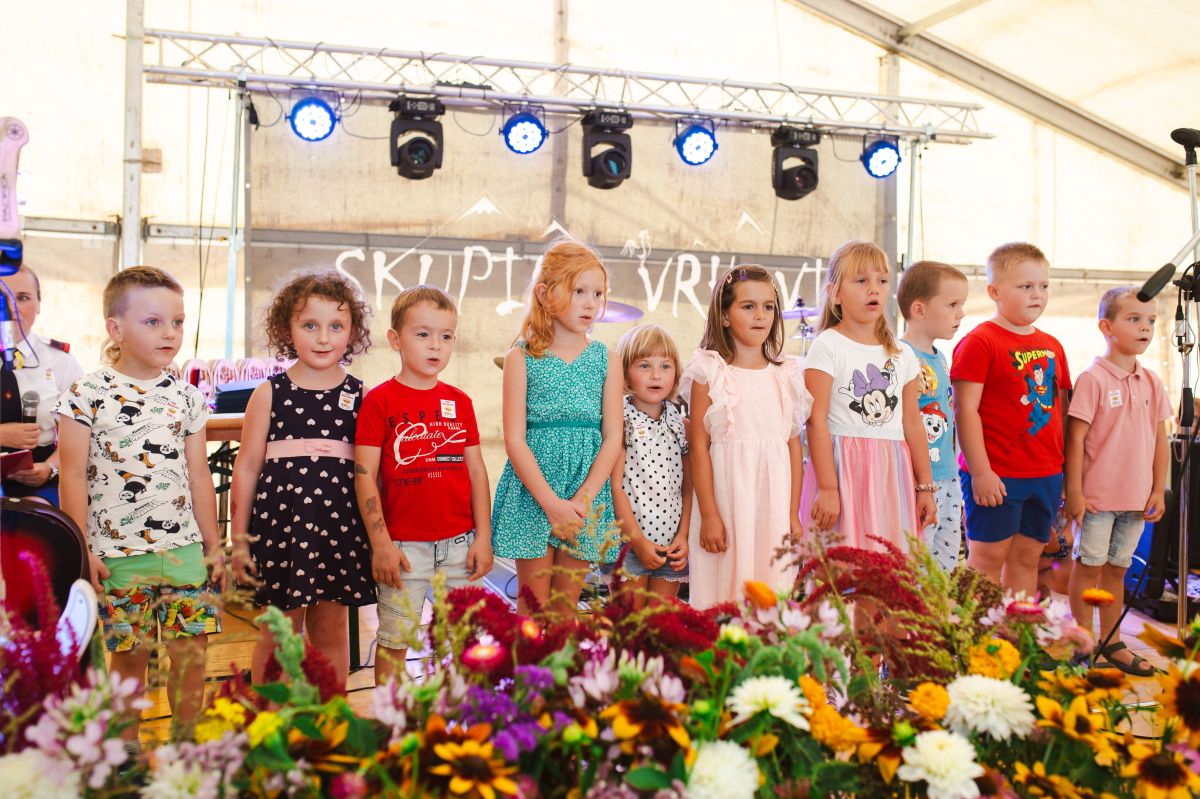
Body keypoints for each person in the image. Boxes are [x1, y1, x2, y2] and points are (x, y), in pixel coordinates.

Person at [56, 266, 224, 740]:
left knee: (191, 658)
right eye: (153, 322)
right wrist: (80, 549)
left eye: (177, 322)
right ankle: (125, 760)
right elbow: (72, 476)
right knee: (130, 662)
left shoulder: (188, 398)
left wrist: (214, 546)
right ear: (115, 328)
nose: (169, 333)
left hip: (185, 553)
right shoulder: (86, 394)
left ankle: (186, 751)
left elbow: (199, 476)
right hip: (117, 557)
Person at [230, 271, 375, 685]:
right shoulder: (268, 393)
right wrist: (238, 540)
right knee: (279, 631)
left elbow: (371, 473)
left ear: (353, 332)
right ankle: (269, 716)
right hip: (280, 531)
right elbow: (246, 467)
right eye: (310, 325)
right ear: (286, 330)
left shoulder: (362, 396)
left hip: (339, 530)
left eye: (336, 326)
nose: (323, 338)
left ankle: (329, 716)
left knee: (330, 630)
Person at [354, 285, 494, 685]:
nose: (436, 345)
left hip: (460, 545)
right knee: (395, 642)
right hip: (403, 549)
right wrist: (381, 543)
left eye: (446, 336)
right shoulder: (379, 401)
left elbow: (477, 472)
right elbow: (364, 475)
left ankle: (461, 713)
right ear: (395, 339)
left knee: (465, 641)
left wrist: (483, 538)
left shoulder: (460, 402)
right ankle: (391, 715)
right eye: (423, 334)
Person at [491, 240, 624, 618]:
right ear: (544, 294)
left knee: (566, 609)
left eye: (597, 293)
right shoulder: (521, 357)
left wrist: (583, 502)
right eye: (578, 291)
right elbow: (514, 439)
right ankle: (527, 662)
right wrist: (551, 504)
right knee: (532, 607)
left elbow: (613, 436)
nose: (590, 303)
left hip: (585, 493)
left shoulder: (607, 359)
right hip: (534, 493)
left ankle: (562, 663)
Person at [682, 264, 809, 609]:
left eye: (768, 306)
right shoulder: (710, 371)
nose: (760, 315)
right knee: (724, 592)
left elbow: (792, 446)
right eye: (748, 306)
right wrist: (710, 515)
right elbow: (699, 447)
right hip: (726, 501)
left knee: (771, 589)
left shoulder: (786, 374)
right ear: (724, 316)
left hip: (774, 504)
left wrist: (793, 513)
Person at [951, 242, 1072, 596]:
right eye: (1026, 286)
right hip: (997, 474)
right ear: (994, 292)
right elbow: (964, 410)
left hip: (1045, 474)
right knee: (987, 558)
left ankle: (1016, 629)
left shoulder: (1053, 345)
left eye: (1043, 286)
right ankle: (973, 631)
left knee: (1028, 559)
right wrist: (980, 472)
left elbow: (1061, 412)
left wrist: (1064, 473)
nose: (1037, 294)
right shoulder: (980, 342)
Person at [801, 242, 937, 553]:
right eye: (861, 280)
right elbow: (816, 420)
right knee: (842, 565)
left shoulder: (902, 354)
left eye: (882, 280)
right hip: (844, 472)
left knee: (887, 564)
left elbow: (912, 423)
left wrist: (925, 487)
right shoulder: (828, 345)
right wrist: (828, 487)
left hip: (891, 474)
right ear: (836, 293)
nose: (873, 288)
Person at [1066, 287, 1170, 676]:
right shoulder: (1092, 379)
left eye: (1151, 321)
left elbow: (1159, 438)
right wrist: (1075, 493)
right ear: (1106, 327)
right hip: (1096, 499)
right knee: (1088, 567)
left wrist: (1157, 489)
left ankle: (1111, 641)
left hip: (1135, 500)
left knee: (1117, 571)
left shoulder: (1152, 381)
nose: (1145, 328)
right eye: (1134, 319)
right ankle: (1082, 642)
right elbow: (1075, 440)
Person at [606, 323, 691, 609]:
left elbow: (688, 489)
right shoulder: (620, 420)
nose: (656, 375)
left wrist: (683, 536)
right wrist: (638, 542)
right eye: (644, 365)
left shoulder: (681, 424)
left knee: (660, 623)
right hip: (629, 543)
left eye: (665, 366)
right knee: (629, 622)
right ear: (624, 372)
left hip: (671, 543)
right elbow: (615, 487)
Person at [897, 260, 969, 572]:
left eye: (962, 305)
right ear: (919, 309)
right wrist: (920, 482)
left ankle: (937, 606)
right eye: (953, 304)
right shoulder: (901, 355)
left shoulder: (939, 357)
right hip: (919, 480)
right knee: (916, 564)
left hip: (948, 475)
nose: (961, 313)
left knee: (944, 564)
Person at [0, 264, 83, 501]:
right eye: (2, 297)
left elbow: (82, 432)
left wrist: (49, 468)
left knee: (37, 516)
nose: (12, 307)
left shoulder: (60, 359)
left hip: (41, 477)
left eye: (23, 298)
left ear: (39, 305)